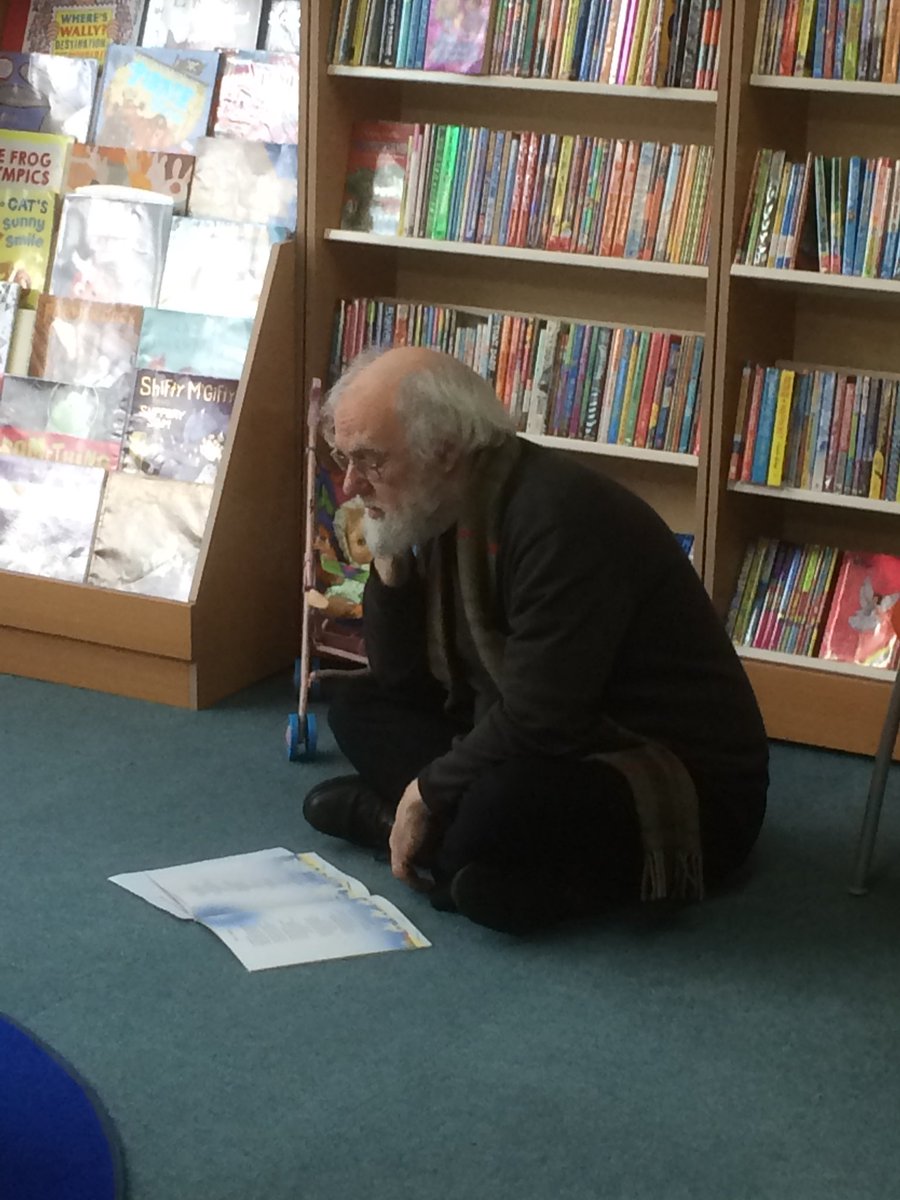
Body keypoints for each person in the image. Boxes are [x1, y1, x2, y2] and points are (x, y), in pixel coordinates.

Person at [302, 346, 769, 933]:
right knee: (357, 707)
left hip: (672, 777)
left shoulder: (559, 515)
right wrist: (392, 568)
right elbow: (402, 681)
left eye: (369, 461)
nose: (349, 486)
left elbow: (545, 716)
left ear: (444, 449)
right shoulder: (441, 501)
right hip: (544, 733)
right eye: (345, 459)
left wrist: (424, 791)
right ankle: (464, 861)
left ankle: (427, 837)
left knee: (497, 804)